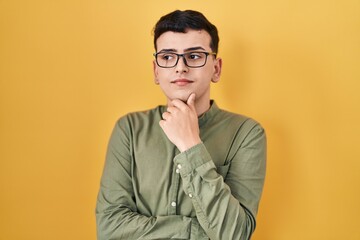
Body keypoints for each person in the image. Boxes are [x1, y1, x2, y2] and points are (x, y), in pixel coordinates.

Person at [96, 9, 266, 240]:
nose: (180, 67)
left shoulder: (247, 134)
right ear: (156, 71)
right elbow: (109, 228)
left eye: (194, 56)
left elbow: (235, 234)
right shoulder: (129, 129)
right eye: (167, 57)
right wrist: (194, 230)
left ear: (216, 68)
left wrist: (191, 145)